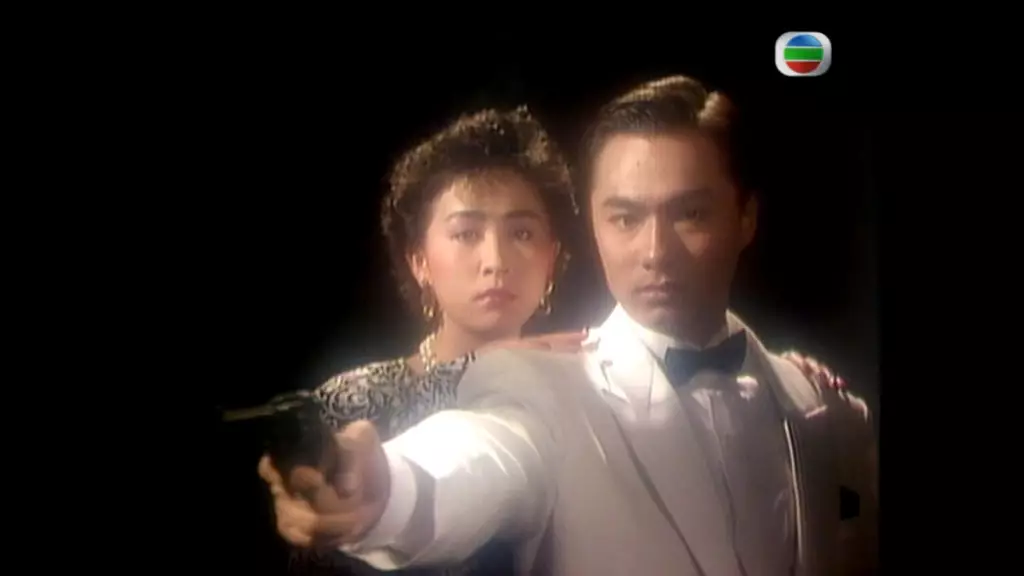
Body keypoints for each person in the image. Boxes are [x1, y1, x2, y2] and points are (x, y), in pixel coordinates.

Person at [261, 78, 874, 576]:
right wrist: (387, 492)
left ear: (745, 218)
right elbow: (479, 458)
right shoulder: (541, 388)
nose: (655, 252)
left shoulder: (816, 398)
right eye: (625, 218)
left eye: (690, 213)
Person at [274, 106, 586, 575]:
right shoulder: (353, 400)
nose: (495, 260)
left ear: (552, 258)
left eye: (522, 232)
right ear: (419, 260)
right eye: (466, 233)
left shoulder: (587, 386)